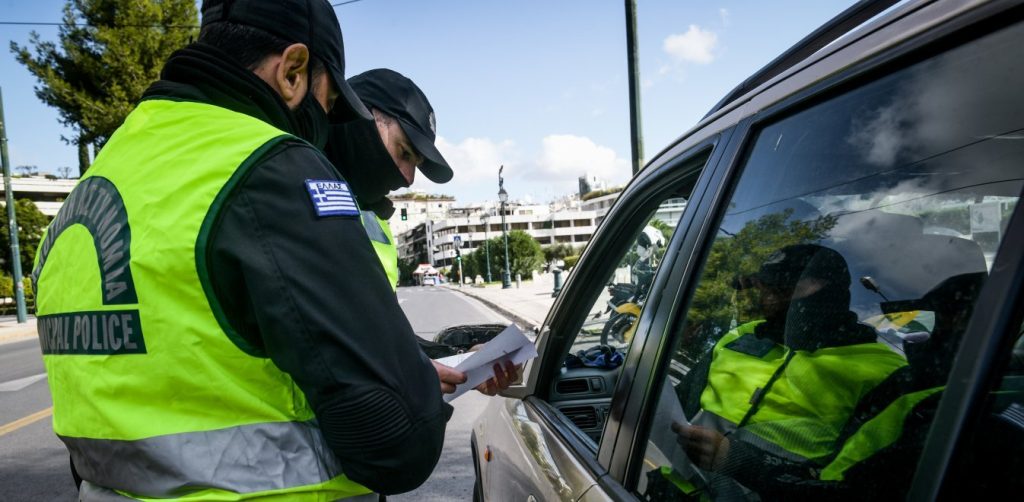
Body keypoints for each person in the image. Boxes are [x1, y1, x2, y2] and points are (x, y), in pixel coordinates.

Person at [32, 1, 510, 499]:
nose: (325, 125)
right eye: (327, 104)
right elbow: (394, 444)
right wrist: (412, 392)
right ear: (292, 71)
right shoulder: (272, 169)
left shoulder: (95, 186)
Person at [324, 68, 514, 395]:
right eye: (404, 152)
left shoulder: (372, 220)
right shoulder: (302, 196)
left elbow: (380, 338)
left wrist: (458, 361)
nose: (409, 178)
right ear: (362, 119)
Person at [667, 244, 907, 498]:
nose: (767, 300)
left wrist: (740, 461)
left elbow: (854, 490)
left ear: (828, 291)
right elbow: (676, 406)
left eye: (782, 290)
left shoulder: (885, 373)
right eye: (764, 288)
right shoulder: (741, 336)